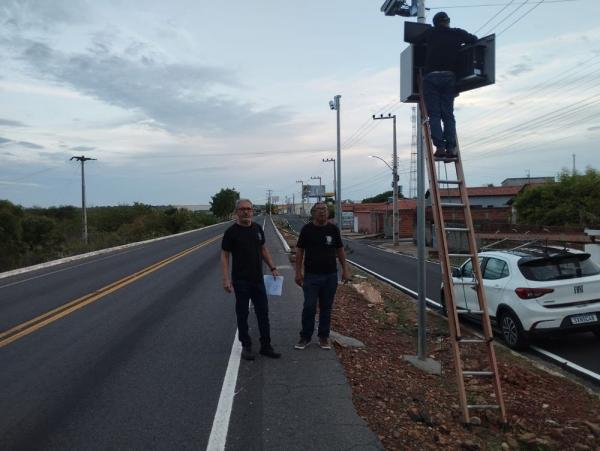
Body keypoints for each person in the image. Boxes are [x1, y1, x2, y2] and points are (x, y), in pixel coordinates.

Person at [221, 199, 281, 360]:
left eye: (249, 209)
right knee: (242, 313)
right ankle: (246, 346)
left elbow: (263, 249)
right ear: (237, 212)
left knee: (263, 313)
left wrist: (273, 267)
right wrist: (226, 279)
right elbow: (225, 256)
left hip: (258, 279)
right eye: (242, 209)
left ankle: (266, 346)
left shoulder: (257, 229)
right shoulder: (231, 232)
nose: (246, 212)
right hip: (240, 280)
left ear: (252, 211)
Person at [418, 11, 477, 160]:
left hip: (431, 77)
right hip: (449, 77)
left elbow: (416, 41)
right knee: (448, 115)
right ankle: (451, 148)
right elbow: (474, 40)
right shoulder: (457, 33)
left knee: (435, 115)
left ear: (435, 22)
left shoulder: (430, 33)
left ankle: (440, 148)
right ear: (448, 21)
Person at [294, 202, 350, 350]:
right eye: (319, 210)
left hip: (330, 276)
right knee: (309, 307)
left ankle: (323, 337)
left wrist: (345, 270)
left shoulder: (333, 229)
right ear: (313, 212)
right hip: (311, 276)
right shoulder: (307, 230)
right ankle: (305, 337)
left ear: (327, 212)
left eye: (324, 209)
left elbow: (340, 250)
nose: (322, 212)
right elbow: (299, 252)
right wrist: (298, 272)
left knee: (326, 307)